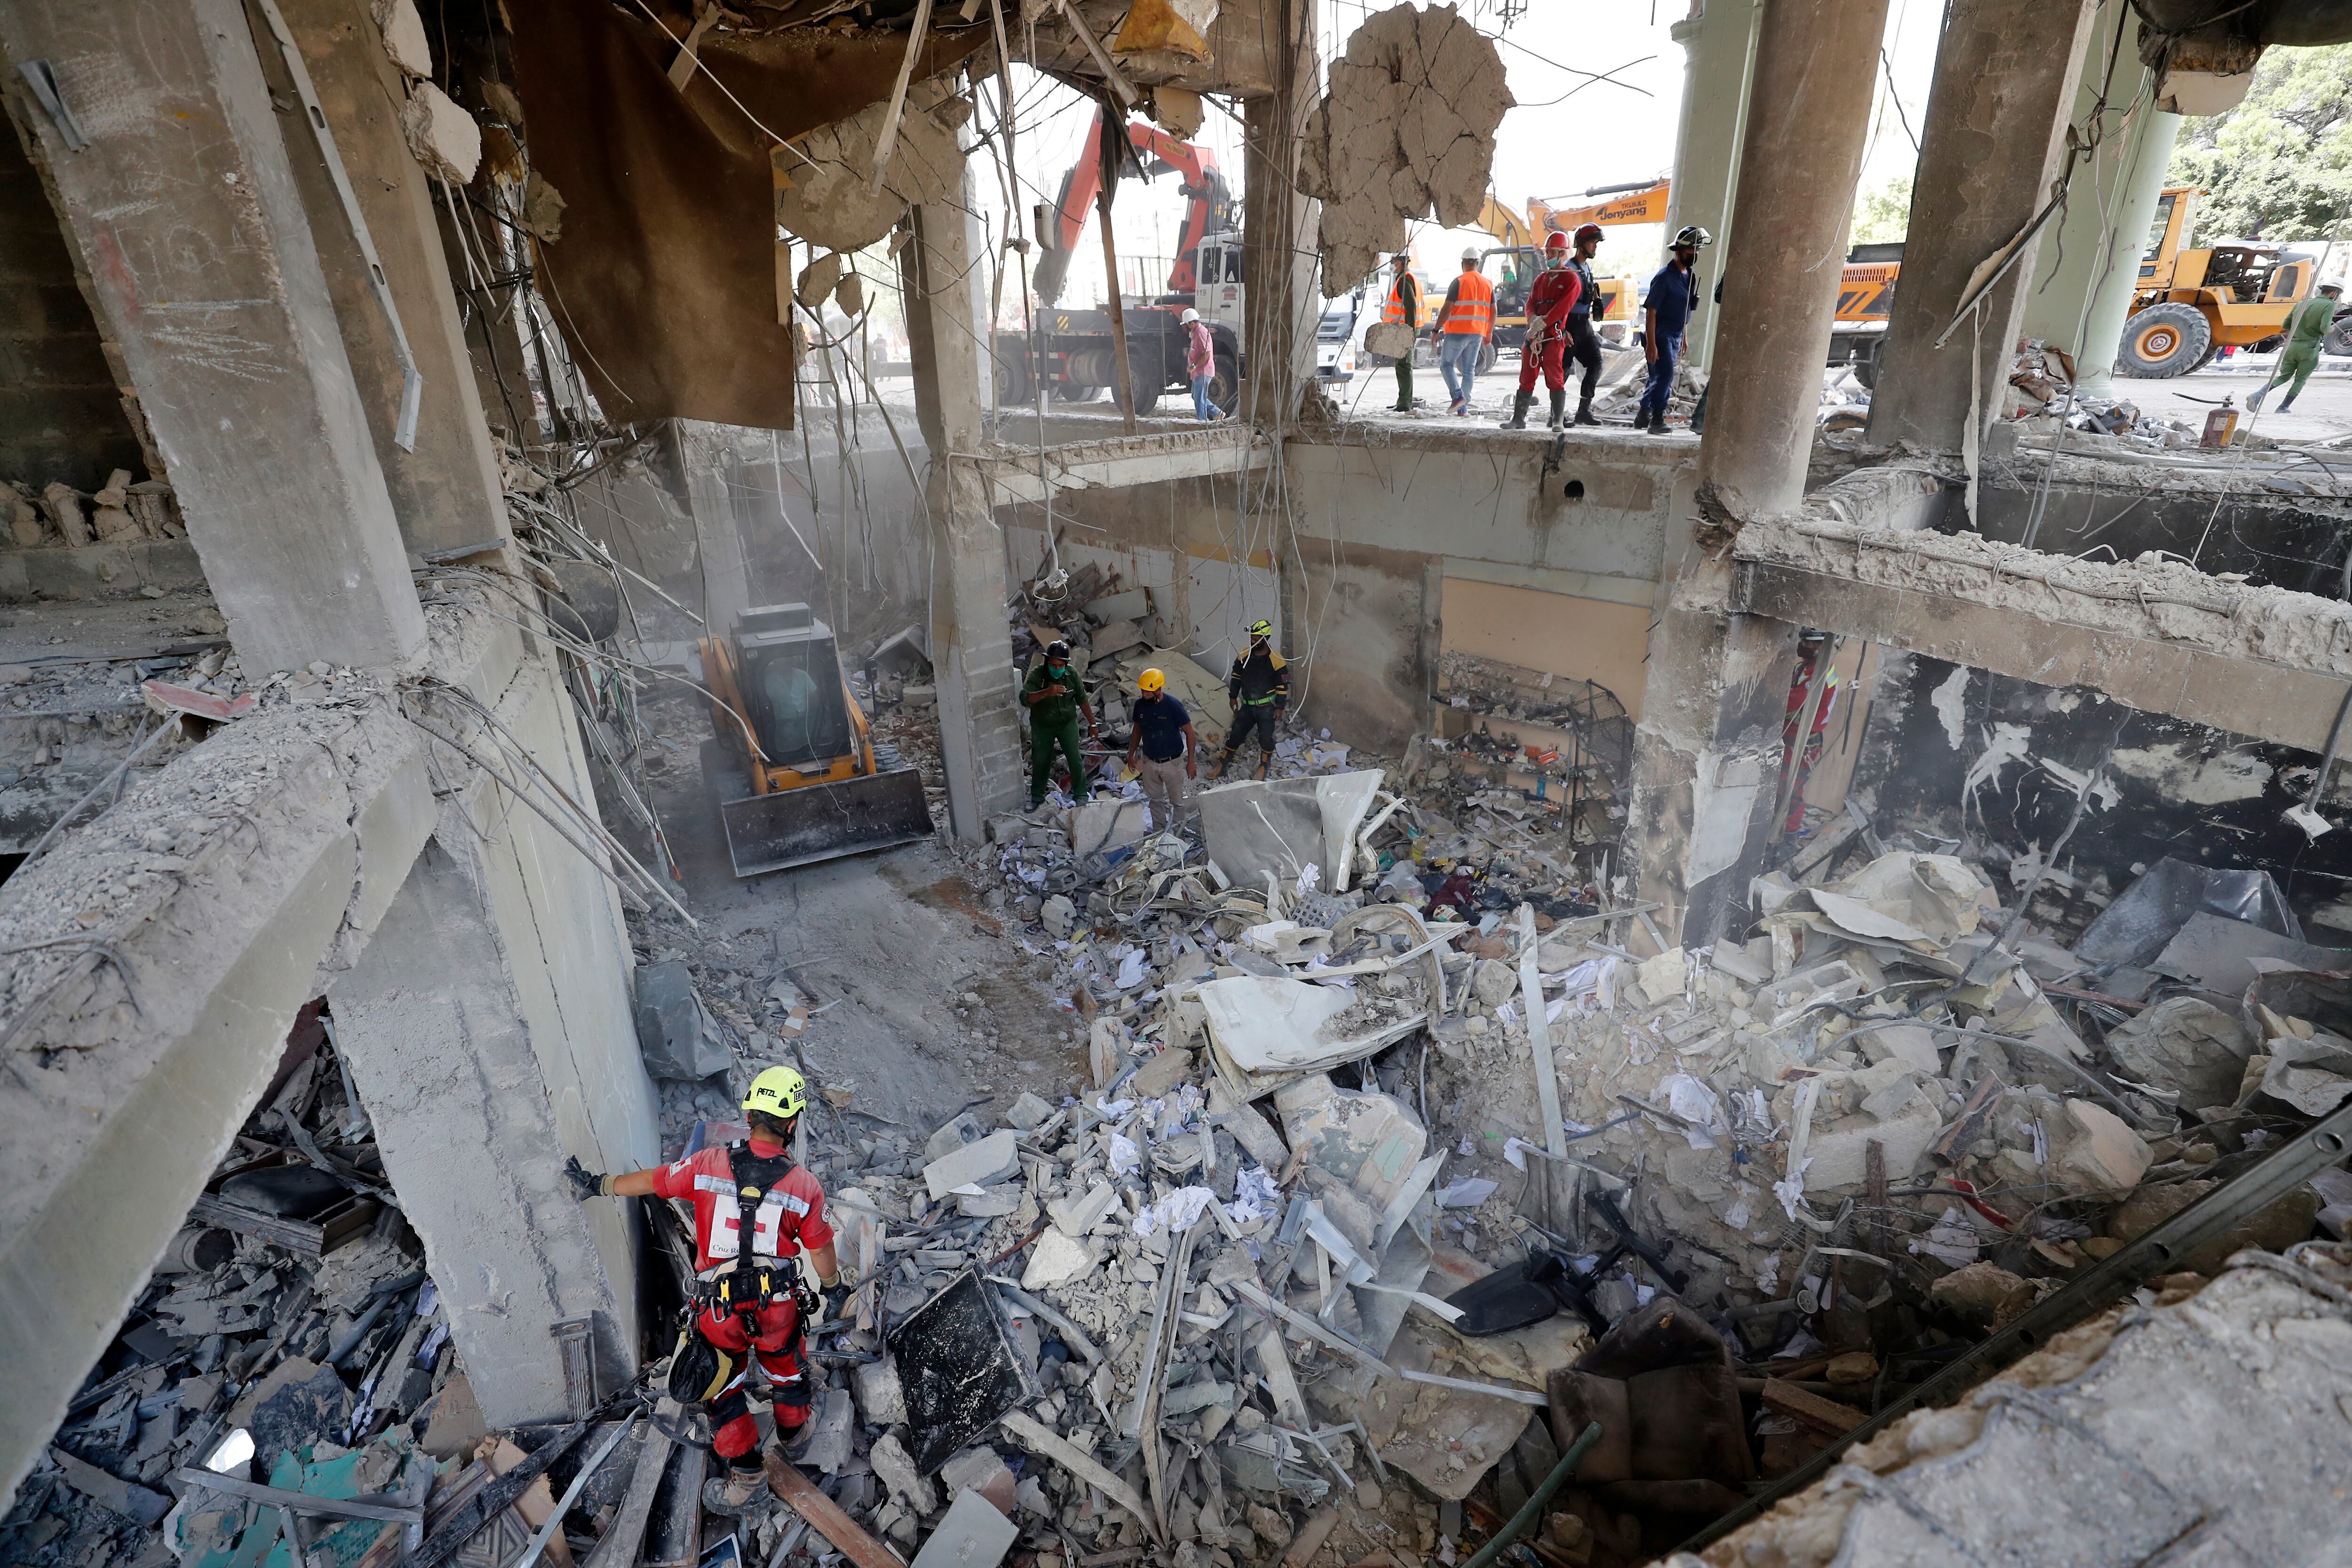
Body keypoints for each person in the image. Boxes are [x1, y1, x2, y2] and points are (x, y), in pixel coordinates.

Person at [565, 1067, 847, 1516]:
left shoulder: (708, 1164)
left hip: (719, 1309)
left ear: (750, 1112)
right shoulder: (805, 1186)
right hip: (777, 1305)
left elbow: (654, 1181)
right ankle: (796, 1435)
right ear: (792, 1124)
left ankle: (747, 1478)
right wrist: (833, 1287)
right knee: (788, 1371)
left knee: (721, 1385)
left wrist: (599, 1185)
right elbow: (821, 1249)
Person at [1503, 231, 1578, 430]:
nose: (1548, 257)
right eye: (1547, 253)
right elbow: (1531, 304)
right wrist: (1532, 319)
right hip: (1535, 337)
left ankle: (1557, 420)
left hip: (1552, 337)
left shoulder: (1571, 280)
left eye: (1551, 253)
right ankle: (1518, 419)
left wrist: (1540, 325)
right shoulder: (1541, 280)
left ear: (1562, 253)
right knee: (1527, 376)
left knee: (1555, 377)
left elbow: (1562, 308)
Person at [1639, 226, 1709, 434]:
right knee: (1665, 375)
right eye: (1691, 251)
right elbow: (1651, 312)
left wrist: (1684, 336)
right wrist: (1651, 345)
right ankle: (1657, 419)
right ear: (1678, 251)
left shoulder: (1690, 276)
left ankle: (1643, 413)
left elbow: (1686, 307)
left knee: (1659, 377)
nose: (1694, 255)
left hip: (1677, 334)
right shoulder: (1664, 278)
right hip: (1661, 334)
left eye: (1697, 251)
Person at [1022, 640, 1100, 807]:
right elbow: (1026, 699)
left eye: (1061, 666)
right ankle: (1037, 797)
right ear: (1048, 662)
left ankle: (1080, 796)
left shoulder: (1071, 675)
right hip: (1043, 726)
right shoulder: (1038, 675)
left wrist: (1093, 725)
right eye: (1054, 665)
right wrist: (1046, 693)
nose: (1057, 669)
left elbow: (1083, 700)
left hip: (1067, 724)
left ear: (1066, 664)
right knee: (1041, 760)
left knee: (1075, 758)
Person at [2250, 281, 2348, 414]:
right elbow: (2325, 328)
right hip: (2310, 348)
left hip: (2292, 346)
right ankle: (2283, 407)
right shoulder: (2329, 305)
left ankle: (2258, 394)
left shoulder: (2302, 303)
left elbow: (2286, 325)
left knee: (2284, 376)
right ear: (2334, 293)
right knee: (2300, 379)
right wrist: (2330, 330)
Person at [1210, 620, 1288, 780]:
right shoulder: (1244, 655)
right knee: (1236, 734)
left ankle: (1264, 766)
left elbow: (1283, 685)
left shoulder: (1276, 660)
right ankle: (1223, 763)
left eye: (1257, 638)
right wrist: (1233, 696)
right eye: (1252, 637)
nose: (1253, 641)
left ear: (1266, 638)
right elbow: (1236, 677)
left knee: (1266, 738)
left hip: (1266, 707)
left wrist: (1280, 707)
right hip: (1247, 707)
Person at [1778, 631, 1840, 835]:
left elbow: (1788, 701)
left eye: (1808, 642)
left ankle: (1787, 838)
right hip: (1790, 737)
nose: (1802, 645)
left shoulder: (1821, 674)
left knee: (1790, 792)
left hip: (1801, 742)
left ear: (1821, 647)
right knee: (1779, 787)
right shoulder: (1803, 668)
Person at [1125, 667, 1198, 828]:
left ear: (1158, 690)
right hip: (1150, 762)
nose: (1144, 695)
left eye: (1148, 692)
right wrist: (1131, 755)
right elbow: (1137, 730)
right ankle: (1158, 833)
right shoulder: (1140, 706)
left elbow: (1190, 733)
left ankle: (1179, 833)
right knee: (1155, 801)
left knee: (1177, 802)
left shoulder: (1173, 706)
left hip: (1172, 763)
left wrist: (1191, 762)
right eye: (1143, 691)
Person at [1433, 247, 1495, 416]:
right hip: (1477, 333)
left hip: (1457, 332)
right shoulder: (1487, 283)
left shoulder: (1459, 282)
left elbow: (1447, 308)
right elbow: (1493, 310)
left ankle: (1457, 396)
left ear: (1463, 263)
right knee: (1469, 371)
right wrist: (1489, 332)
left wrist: (1436, 329)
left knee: (1446, 365)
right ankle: (1463, 408)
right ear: (1477, 263)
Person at [1564, 224, 1606, 426]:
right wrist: (1561, 330)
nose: (1595, 247)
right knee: (1563, 370)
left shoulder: (1587, 269)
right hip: (1569, 324)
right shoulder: (1568, 270)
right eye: (1593, 243)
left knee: (1597, 363)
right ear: (1581, 245)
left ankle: (1584, 410)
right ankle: (1556, 414)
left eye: (1597, 243)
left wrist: (1596, 301)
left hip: (1585, 325)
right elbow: (1559, 304)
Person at [1382, 251, 1420, 413]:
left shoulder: (1405, 280)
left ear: (1399, 262)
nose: (1391, 264)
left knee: (1404, 366)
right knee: (1402, 365)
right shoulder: (1408, 277)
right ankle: (1403, 400)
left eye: (1393, 261)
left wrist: (1409, 331)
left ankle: (1405, 403)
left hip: (1405, 330)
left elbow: (1410, 307)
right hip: (1405, 329)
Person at [1182, 307, 1218, 422]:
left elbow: (1207, 353)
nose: (1186, 328)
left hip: (1203, 371)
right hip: (1199, 371)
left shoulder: (1201, 333)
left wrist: (1194, 366)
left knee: (1199, 399)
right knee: (1196, 396)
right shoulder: (1197, 333)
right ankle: (1217, 413)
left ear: (1192, 323)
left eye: (1187, 325)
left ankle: (1203, 422)